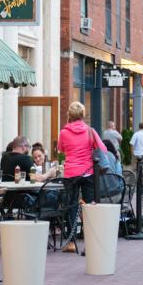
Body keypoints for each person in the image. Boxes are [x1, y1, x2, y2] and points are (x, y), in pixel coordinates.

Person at [57, 101, 108, 252]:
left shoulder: (64, 132)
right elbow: (102, 148)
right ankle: (91, 242)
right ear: (83, 115)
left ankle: (71, 242)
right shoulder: (90, 131)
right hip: (88, 172)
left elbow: (60, 149)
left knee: (71, 205)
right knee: (90, 205)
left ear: (69, 115)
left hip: (71, 172)